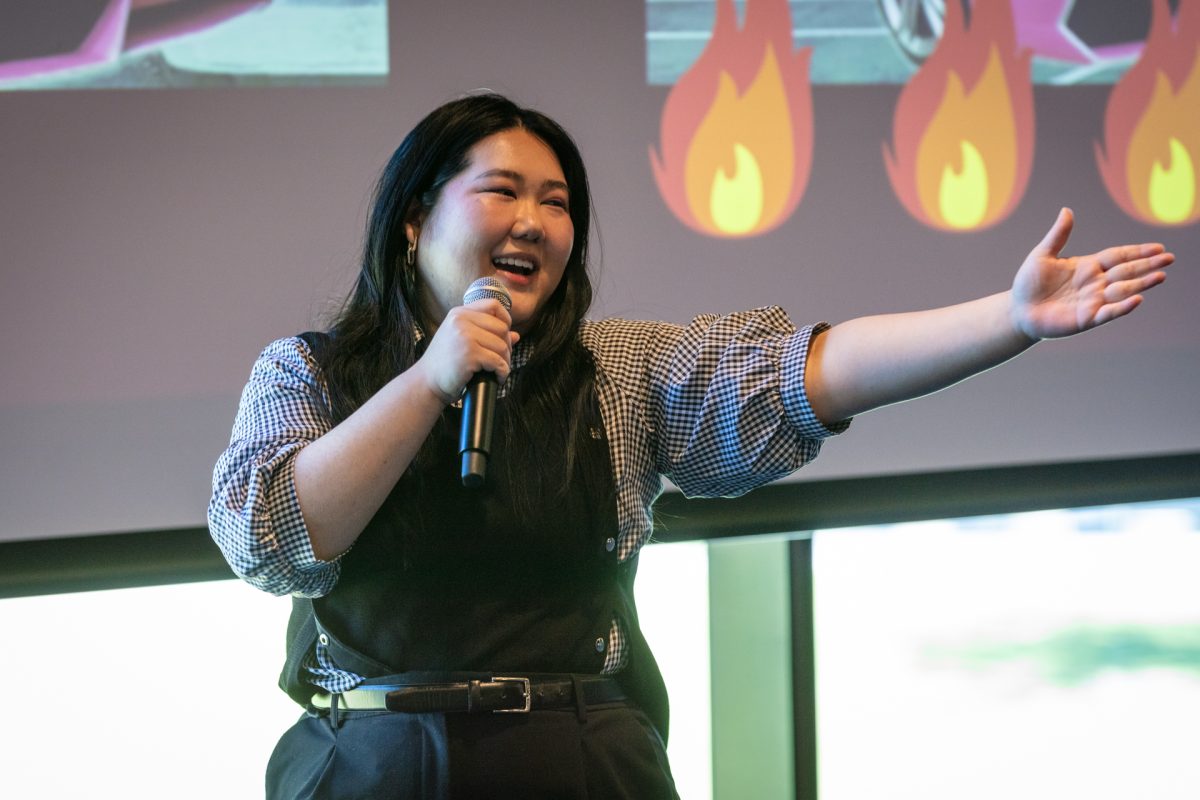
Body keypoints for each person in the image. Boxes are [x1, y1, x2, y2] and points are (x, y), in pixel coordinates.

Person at [207, 92, 1173, 799]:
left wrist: (1005, 319)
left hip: (584, 759)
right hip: (372, 763)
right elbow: (272, 537)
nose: (537, 222)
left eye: (558, 202)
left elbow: (806, 373)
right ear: (415, 217)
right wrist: (427, 384)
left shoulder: (617, 373)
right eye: (503, 191)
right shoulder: (310, 375)